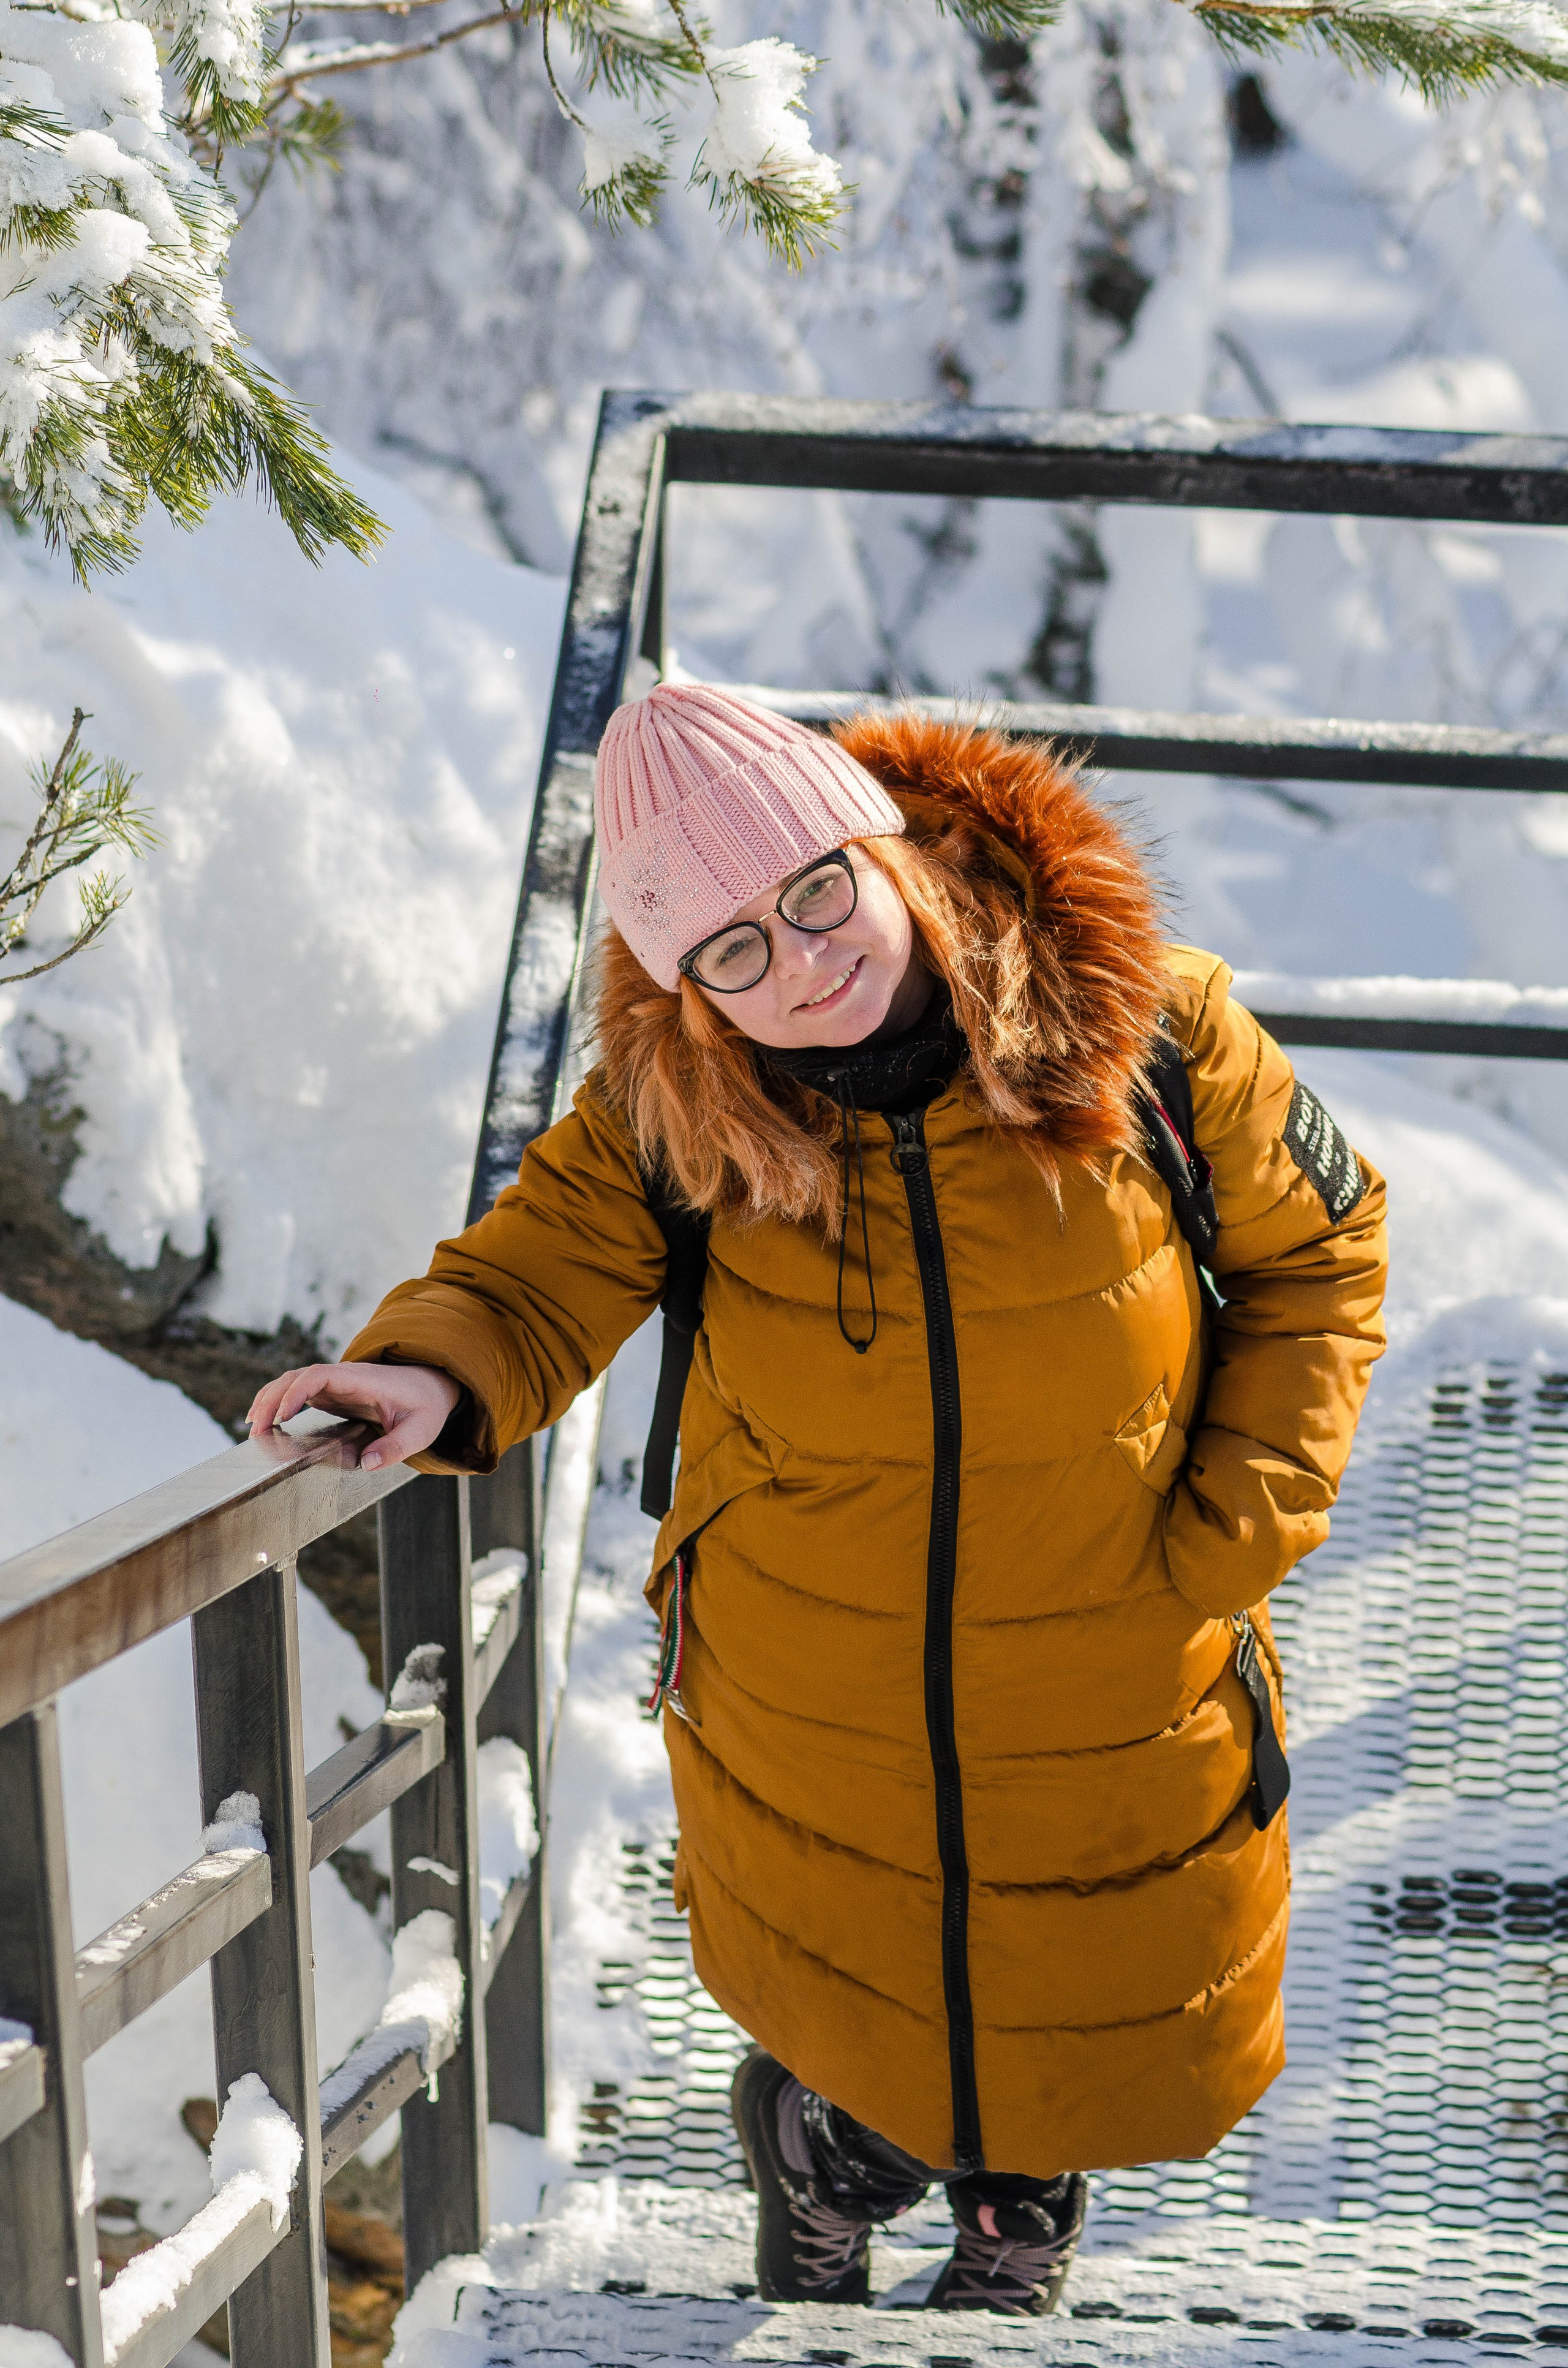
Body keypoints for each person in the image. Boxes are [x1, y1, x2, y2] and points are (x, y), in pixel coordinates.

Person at [249, 686, 1388, 2317]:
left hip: (1112, 1627)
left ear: (884, 846)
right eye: (727, 950)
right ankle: (830, 2150)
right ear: (682, 982)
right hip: (809, 1661)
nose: (797, 963)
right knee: (866, 1970)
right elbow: (537, 1269)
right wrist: (424, 1376)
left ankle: (1012, 2211)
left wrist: (1243, 1509)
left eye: (812, 893)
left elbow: (1324, 1250)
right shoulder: (687, 1102)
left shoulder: (1156, 1030)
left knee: (1086, 1975)